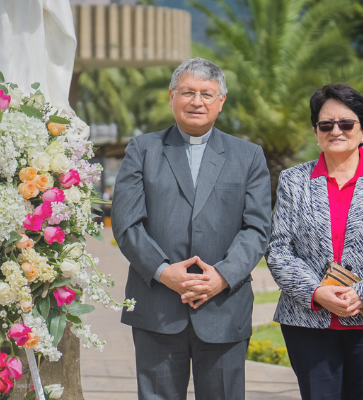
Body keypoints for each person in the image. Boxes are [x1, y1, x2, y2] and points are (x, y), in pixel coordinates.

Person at [112, 57, 271, 400]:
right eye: (187, 92)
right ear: (172, 97)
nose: (196, 101)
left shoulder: (248, 156)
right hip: (157, 307)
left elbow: (257, 228)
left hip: (224, 309)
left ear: (221, 101)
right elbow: (127, 223)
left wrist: (222, 275)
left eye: (206, 94)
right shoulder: (142, 150)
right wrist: (163, 271)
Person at [268, 84, 363, 400]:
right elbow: (279, 249)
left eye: (346, 123)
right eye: (326, 125)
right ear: (316, 132)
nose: (336, 131)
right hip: (308, 323)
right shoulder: (293, 180)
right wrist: (316, 292)